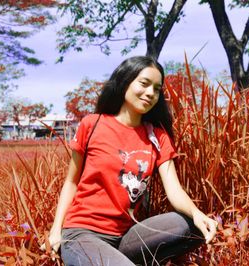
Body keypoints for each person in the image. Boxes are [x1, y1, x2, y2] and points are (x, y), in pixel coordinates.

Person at [43, 56, 218, 265]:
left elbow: (174, 190)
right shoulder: (93, 125)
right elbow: (71, 182)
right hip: (82, 233)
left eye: (157, 88)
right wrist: (56, 231)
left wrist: (198, 214)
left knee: (192, 227)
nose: (151, 93)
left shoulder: (158, 136)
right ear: (125, 82)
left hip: (125, 237)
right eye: (144, 84)